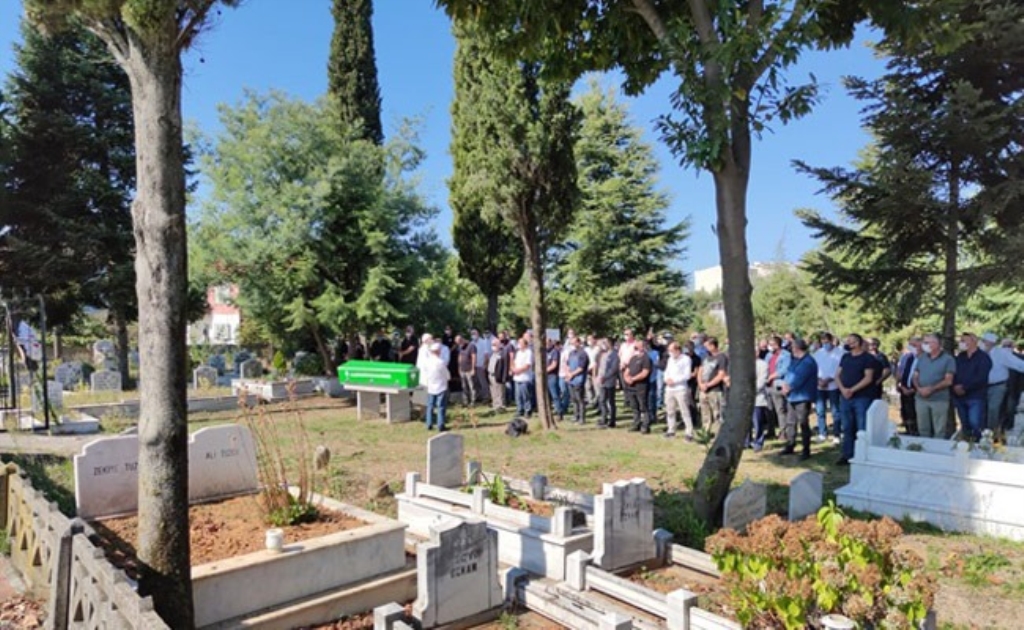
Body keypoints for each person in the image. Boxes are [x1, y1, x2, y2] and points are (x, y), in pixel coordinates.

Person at [836, 333, 876, 466]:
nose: (848, 343)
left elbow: (868, 378)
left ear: (858, 343)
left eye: (851, 341)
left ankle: (862, 453)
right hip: (845, 397)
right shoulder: (845, 357)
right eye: (847, 341)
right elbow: (837, 375)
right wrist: (843, 389)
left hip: (862, 397)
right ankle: (847, 454)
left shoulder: (867, 358)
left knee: (861, 427)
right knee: (847, 427)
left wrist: (852, 390)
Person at [913, 333, 956, 439]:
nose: (924, 345)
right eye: (924, 342)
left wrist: (931, 389)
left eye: (927, 342)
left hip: (939, 400)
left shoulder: (948, 359)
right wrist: (919, 389)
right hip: (921, 398)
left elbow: (948, 380)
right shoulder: (922, 357)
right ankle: (923, 447)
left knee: (939, 430)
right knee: (922, 428)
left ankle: (937, 448)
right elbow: (915, 376)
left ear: (936, 344)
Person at [780, 339, 818, 460]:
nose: (791, 349)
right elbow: (788, 374)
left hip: (802, 396)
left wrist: (789, 387)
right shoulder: (795, 360)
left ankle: (806, 449)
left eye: (792, 347)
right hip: (791, 396)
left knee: (803, 423)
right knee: (790, 422)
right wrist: (784, 385)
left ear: (797, 348)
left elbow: (800, 378)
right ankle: (790, 444)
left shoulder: (808, 361)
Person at [980, 331, 1024, 434]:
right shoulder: (979, 353)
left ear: (991, 343)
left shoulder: (1001, 354)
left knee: (993, 409)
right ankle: (981, 432)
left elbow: (1018, 364)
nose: (982, 343)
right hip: (981, 386)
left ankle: (991, 432)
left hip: (998, 386)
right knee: (981, 409)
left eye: (984, 341)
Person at [952, 332, 991, 440]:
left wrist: (964, 387)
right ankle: (966, 444)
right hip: (959, 397)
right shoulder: (960, 357)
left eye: (963, 341)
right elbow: (953, 373)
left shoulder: (983, 358)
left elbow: (981, 378)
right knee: (965, 424)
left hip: (975, 396)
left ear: (973, 341)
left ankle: (978, 444)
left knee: (975, 423)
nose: (961, 343)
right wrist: (955, 386)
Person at [813, 332, 842, 443]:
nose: (825, 344)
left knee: (835, 411)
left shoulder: (840, 353)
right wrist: (819, 380)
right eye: (823, 341)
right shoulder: (818, 353)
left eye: (827, 341)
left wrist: (829, 379)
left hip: (834, 385)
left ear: (831, 341)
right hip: (819, 386)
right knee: (820, 410)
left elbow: (840, 368)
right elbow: (814, 368)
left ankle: (837, 434)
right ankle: (822, 433)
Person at [662, 341, 694, 440]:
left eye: (671, 350)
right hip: (669, 389)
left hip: (680, 388)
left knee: (684, 410)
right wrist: (666, 379)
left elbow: (687, 375)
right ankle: (671, 430)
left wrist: (675, 381)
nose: (670, 353)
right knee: (670, 410)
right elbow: (666, 371)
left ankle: (689, 432)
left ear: (677, 350)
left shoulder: (686, 359)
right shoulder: (670, 359)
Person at [698, 337, 728, 430]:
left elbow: (721, 374)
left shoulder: (722, 357)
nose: (705, 348)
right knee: (705, 414)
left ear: (713, 346)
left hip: (715, 390)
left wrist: (708, 385)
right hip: (703, 390)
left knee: (717, 414)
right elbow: (700, 371)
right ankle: (705, 433)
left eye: (707, 346)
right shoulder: (706, 357)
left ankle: (717, 434)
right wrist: (700, 384)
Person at [765, 335, 791, 440]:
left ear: (777, 345)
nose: (770, 347)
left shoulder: (786, 355)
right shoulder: (768, 355)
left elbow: (784, 370)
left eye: (772, 345)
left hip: (778, 384)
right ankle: (770, 431)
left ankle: (783, 432)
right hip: (768, 385)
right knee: (769, 410)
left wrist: (772, 376)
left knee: (780, 410)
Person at [624, 337, 653, 433]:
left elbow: (645, 373)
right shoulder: (633, 358)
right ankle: (636, 423)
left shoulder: (646, 358)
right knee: (634, 406)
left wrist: (633, 379)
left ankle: (646, 425)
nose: (636, 347)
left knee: (643, 406)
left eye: (638, 346)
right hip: (631, 387)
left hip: (641, 386)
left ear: (643, 347)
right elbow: (627, 371)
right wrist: (627, 378)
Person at [896, 336, 922, 436]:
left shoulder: (923, 358)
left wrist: (914, 389)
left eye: (914, 345)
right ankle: (908, 430)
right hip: (904, 388)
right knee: (906, 411)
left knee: (915, 412)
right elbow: (901, 371)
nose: (911, 347)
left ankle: (916, 432)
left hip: (916, 390)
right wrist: (900, 385)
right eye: (910, 345)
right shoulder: (908, 357)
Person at [421, 343, 450, 432]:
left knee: (430, 406)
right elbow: (447, 375)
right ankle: (440, 425)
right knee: (441, 406)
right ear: (438, 351)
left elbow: (425, 373)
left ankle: (429, 424)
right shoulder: (441, 362)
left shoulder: (427, 362)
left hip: (431, 386)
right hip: (441, 386)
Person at [566, 336, 590, 424]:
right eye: (572, 343)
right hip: (571, 379)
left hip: (579, 379)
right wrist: (568, 373)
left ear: (579, 342)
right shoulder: (571, 353)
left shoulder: (583, 354)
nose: (573, 344)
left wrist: (572, 374)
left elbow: (581, 368)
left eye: (575, 342)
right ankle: (575, 416)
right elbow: (568, 364)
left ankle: (582, 418)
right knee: (574, 399)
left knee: (580, 399)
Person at [597, 339, 620, 429]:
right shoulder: (603, 354)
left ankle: (612, 421)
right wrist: (599, 377)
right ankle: (604, 418)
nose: (603, 345)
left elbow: (613, 369)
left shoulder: (614, 355)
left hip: (609, 381)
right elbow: (600, 368)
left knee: (611, 401)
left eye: (605, 343)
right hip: (602, 381)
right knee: (602, 400)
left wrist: (605, 377)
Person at [750, 350, 769, 452]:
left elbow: (762, 381)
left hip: (757, 397)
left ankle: (758, 442)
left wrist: (750, 390)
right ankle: (746, 441)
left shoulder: (763, 364)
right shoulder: (745, 364)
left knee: (757, 422)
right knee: (746, 423)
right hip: (745, 398)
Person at [512, 336, 535, 419]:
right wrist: (514, 369)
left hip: (525, 378)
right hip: (517, 378)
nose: (519, 344)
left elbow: (528, 365)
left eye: (520, 343)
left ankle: (528, 410)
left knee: (526, 396)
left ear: (525, 344)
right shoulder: (518, 352)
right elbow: (514, 362)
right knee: (518, 396)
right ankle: (520, 410)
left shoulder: (529, 352)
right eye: (518, 343)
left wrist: (519, 371)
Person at [487, 337, 508, 414]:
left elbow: (505, 367)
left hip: (498, 376)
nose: (493, 346)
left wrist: (504, 377)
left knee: (500, 392)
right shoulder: (493, 354)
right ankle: (495, 405)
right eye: (492, 345)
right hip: (491, 375)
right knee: (493, 391)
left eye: (494, 344)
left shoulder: (502, 354)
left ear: (499, 345)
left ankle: (501, 407)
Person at [456, 334, 477, 406]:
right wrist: (459, 367)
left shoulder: (471, 346)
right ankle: (465, 401)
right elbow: (460, 357)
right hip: (462, 369)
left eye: (459, 342)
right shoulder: (460, 347)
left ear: (462, 339)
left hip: (469, 369)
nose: (459, 344)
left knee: (472, 386)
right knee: (464, 386)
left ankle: (473, 401)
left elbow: (474, 357)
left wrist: (473, 368)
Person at [545, 336, 563, 421]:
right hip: (545, 377)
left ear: (550, 343)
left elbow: (554, 364)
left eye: (548, 343)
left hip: (552, 376)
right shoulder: (544, 352)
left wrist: (544, 371)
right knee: (547, 396)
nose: (546, 344)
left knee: (555, 395)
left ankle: (559, 412)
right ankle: (548, 412)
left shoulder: (554, 351)